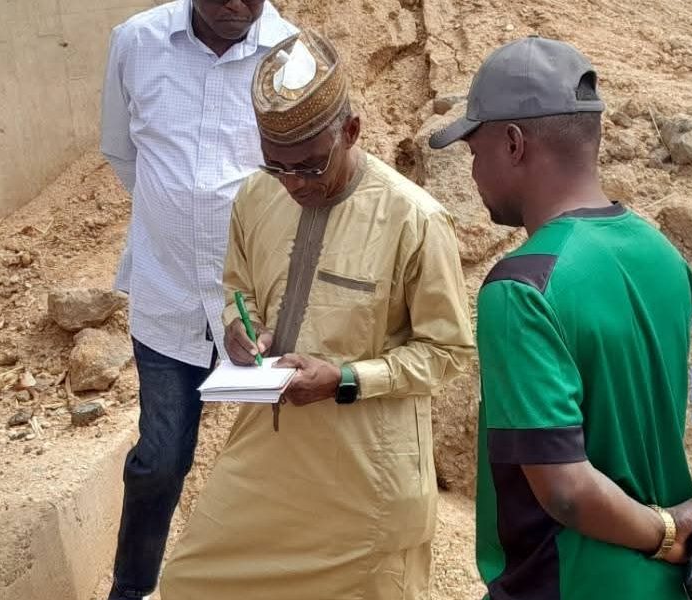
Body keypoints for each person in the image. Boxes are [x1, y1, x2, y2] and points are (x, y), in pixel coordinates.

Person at [159, 30, 475, 600]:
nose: (292, 184)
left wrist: (346, 378)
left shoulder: (414, 219)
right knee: (191, 583)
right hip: (268, 452)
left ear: (351, 131)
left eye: (308, 166)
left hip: (365, 472)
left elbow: (448, 353)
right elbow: (237, 287)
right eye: (275, 165)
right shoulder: (257, 196)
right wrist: (239, 326)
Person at [429, 36, 692, 599]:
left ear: (513, 143)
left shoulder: (520, 287)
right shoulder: (664, 257)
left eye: (475, 151)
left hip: (565, 584)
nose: (474, 172)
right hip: (664, 587)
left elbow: (566, 491)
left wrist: (666, 535)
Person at [100, 2, 296, 598]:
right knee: (160, 460)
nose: (237, 4)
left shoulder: (291, 55)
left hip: (261, 304)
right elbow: (121, 150)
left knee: (285, 462)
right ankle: (132, 590)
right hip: (168, 293)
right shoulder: (137, 42)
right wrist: (177, 215)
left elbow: (301, 169)